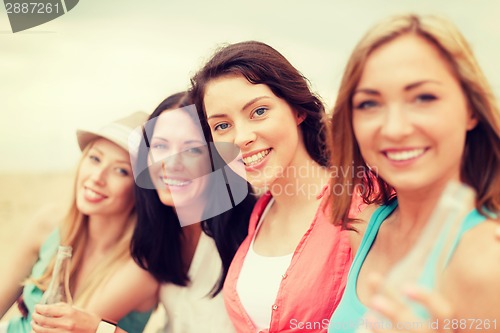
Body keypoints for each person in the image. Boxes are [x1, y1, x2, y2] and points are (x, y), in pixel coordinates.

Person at [328, 14, 500, 332]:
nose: (394, 128)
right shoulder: (367, 227)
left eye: (424, 98)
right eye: (369, 103)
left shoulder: (488, 262)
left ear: (471, 110)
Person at [190, 41, 357, 333]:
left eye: (258, 111)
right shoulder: (256, 213)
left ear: (297, 110)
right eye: (222, 126)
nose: (241, 137)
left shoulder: (360, 204)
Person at [0, 112, 159, 333]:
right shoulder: (48, 223)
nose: (97, 177)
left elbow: (61, 328)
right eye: (95, 159)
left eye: (121, 170)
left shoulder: (140, 266)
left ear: (140, 191)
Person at [130, 91, 256, 333]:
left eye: (192, 150)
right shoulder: (159, 230)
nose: (171, 162)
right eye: (160, 145)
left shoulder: (251, 232)